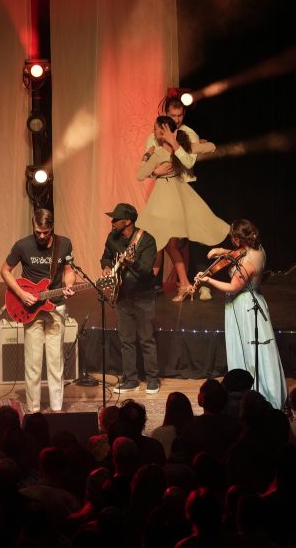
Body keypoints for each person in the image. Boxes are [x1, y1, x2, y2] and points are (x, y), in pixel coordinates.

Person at [195, 219, 287, 410]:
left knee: (250, 351)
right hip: (252, 300)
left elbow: (232, 287)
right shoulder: (257, 249)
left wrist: (207, 280)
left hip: (245, 306)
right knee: (255, 349)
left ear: (238, 239)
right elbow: (239, 254)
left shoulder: (248, 263)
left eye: (232, 238)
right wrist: (222, 251)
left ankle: (257, 395)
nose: (231, 241)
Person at [137, 112, 229, 302]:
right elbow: (141, 174)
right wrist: (154, 169)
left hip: (174, 201)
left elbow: (210, 147)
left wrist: (183, 143)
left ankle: (181, 285)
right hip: (164, 200)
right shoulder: (158, 152)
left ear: (166, 131)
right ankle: (182, 284)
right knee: (164, 244)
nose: (154, 132)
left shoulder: (178, 149)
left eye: (157, 129)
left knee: (167, 243)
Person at [0, 208, 76, 414]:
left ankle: (57, 409)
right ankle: (33, 410)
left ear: (52, 227)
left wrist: (69, 284)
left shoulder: (64, 244)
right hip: (30, 309)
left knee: (55, 361)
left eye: (45, 232)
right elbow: (5, 270)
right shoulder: (22, 245)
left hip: (56, 306)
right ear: (33, 226)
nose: (41, 236)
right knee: (33, 363)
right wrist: (20, 293)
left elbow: (69, 270)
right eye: (38, 232)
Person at [100, 203, 160, 393]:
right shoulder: (112, 238)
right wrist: (107, 267)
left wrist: (131, 261)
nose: (112, 222)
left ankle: (153, 379)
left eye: (116, 219)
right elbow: (106, 257)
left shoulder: (147, 240)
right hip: (122, 295)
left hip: (144, 296)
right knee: (126, 340)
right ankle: (131, 379)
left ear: (127, 221)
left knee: (146, 339)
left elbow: (147, 270)